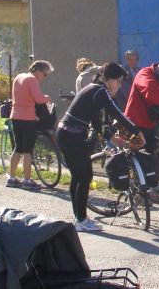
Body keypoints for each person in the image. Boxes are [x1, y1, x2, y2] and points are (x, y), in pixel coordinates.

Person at [56, 62, 144, 232]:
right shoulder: (100, 91)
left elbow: (96, 121)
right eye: (118, 81)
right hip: (73, 135)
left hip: (65, 133)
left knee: (78, 176)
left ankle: (79, 217)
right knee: (85, 175)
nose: (119, 86)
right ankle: (81, 219)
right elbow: (117, 113)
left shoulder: (94, 89)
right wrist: (137, 131)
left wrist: (111, 137)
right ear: (109, 79)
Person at [124, 57, 159, 204]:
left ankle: (149, 191)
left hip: (149, 123)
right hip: (135, 123)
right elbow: (149, 91)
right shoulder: (144, 74)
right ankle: (137, 193)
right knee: (136, 157)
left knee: (150, 158)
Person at [7, 60, 53, 190]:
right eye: (45, 74)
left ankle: (12, 178)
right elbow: (38, 99)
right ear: (38, 70)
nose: (44, 77)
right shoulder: (32, 80)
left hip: (15, 116)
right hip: (28, 118)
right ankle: (27, 180)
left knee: (18, 148)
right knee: (28, 151)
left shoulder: (19, 77)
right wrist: (47, 98)